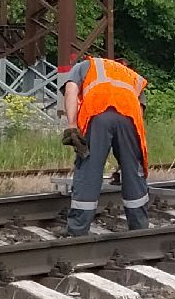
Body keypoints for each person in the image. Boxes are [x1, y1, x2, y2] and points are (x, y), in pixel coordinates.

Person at [61, 54, 152, 236]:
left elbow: (71, 89)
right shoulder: (132, 76)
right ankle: (139, 229)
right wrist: (125, 161)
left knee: (89, 168)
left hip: (98, 111)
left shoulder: (87, 65)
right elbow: (139, 114)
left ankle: (78, 231)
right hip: (130, 118)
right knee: (133, 172)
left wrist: (72, 125)